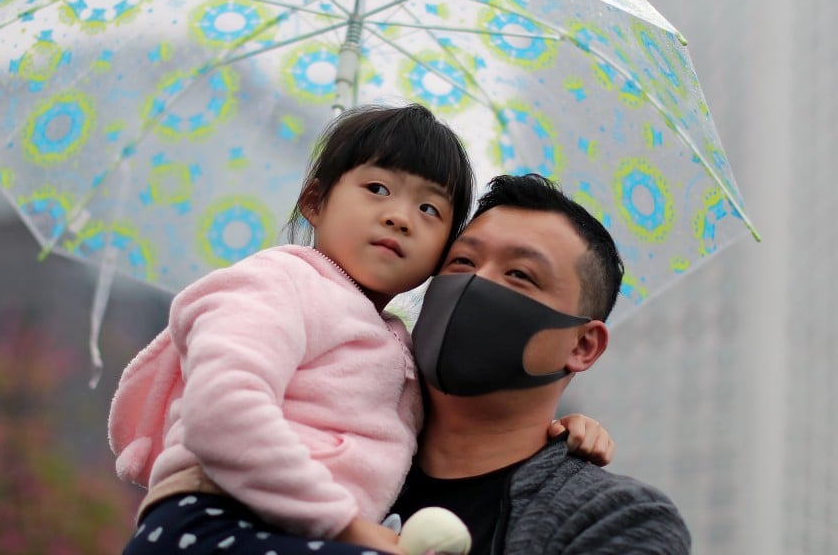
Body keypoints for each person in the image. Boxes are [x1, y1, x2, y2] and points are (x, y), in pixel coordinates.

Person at [109, 105, 611, 555]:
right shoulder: (276, 284)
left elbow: (454, 419)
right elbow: (220, 410)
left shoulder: (394, 340)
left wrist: (564, 433)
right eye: (376, 189)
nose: (398, 217)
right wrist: (345, 524)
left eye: (429, 209)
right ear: (314, 202)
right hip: (219, 518)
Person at [390, 173, 691, 554]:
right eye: (462, 261)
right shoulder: (325, 454)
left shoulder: (618, 519)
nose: (476, 281)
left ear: (582, 345)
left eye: (519, 274)